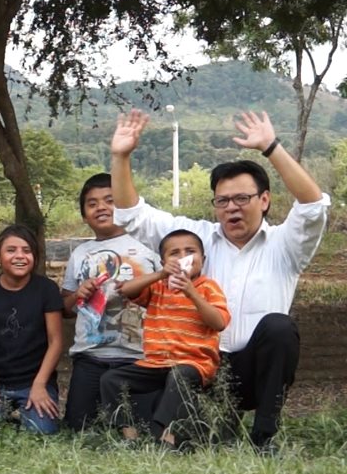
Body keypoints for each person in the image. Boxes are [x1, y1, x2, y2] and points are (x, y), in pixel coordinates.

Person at [110, 109, 331, 452]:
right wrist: (120, 156)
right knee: (196, 440)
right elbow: (131, 215)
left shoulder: (286, 245)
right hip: (202, 370)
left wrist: (271, 147)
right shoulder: (194, 240)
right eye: (223, 201)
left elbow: (313, 206)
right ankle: (202, 425)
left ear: (265, 200)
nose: (232, 208)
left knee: (279, 327)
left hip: (255, 370)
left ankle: (263, 438)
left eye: (242, 198)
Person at [99, 229, 230, 450]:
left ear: (203, 259)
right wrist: (160, 275)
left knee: (179, 376)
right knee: (111, 379)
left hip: (193, 364)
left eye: (190, 251)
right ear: (163, 261)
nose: (182, 257)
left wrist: (191, 293)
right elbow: (127, 290)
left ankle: (168, 438)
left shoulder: (208, 287)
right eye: (174, 253)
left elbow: (219, 322)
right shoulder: (158, 286)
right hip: (155, 363)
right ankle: (129, 434)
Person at [61, 173, 162, 430]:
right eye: (92, 204)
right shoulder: (80, 253)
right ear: (84, 215)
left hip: (139, 357)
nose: (101, 207)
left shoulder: (149, 245)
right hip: (91, 356)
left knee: (144, 427)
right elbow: (66, 308)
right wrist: (78, 295)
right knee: (79, 428)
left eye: (110, 200)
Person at [0, 224, 64, 434]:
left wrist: (40, 385)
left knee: (41, 432)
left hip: (34, 380)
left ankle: (27, 411)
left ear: (35, 257)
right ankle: (6, 411)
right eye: (11, 250)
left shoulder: (46, 289)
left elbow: (55, 342)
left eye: (27, 250)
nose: (19, 256)